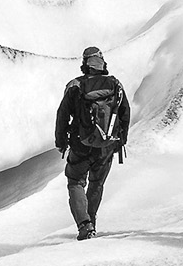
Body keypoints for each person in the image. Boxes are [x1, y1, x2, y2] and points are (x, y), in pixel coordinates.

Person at [55, 46, 132, 240]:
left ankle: (84, 225)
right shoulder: (115, 84)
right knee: (97, 183)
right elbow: (125, 112)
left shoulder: (75, 85)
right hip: (107, 144)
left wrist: (61, 141)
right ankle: (91, 223)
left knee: (75, 182)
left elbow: (62, 115)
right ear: (102, 63)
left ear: (84, 64)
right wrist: (121, 139)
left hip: (80, 143)